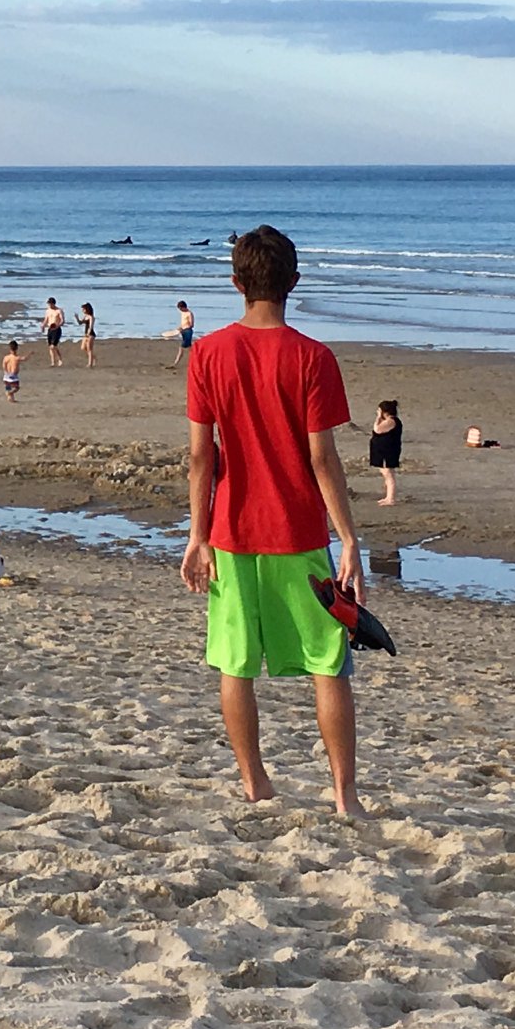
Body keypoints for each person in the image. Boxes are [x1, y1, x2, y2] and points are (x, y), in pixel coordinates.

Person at [180, 224, 365, 816]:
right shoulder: (313, 356)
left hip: (232, 533)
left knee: (236, 664)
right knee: (328, 664)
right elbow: (322, 457)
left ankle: (255, 783)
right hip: (298, 531)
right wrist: (349, 538)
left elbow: (200, 457)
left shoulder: (208, 352)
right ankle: (344, 796)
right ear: (294, 282)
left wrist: (197, 535)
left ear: (236, 283)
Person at [369, 400, 402, 506]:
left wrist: (378, 417)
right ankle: (388, 496)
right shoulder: (389, 421)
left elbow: (377, 429)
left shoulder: (391, 421)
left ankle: (391, 498)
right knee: (385, 473)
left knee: (389, 474)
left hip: (387, 452)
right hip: (382, 451)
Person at [168, 301, 197, 369]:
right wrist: (180, 328)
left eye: (180, 308)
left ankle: (176, 363)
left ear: (183, 307)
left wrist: (183, 328)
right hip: (183, 331)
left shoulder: (189, 313)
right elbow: (183, 323)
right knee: (190, 349)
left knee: (182, 348)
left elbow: (191, 325)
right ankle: (195, 362)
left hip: (188, 332)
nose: (180, 310)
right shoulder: (182, 313)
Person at [41, 298, 66, 367]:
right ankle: (53, 362)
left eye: (50, 304)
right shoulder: (48, 311)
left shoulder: (59, 311)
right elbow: (46, 319)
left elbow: (62, 321)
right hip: (50, 329)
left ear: (53, 303)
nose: (49, 305)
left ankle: (60, 358)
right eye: (48, 304)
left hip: (57, 329)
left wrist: (58, 325)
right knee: (50, 347)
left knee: (53, 346)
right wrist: (43, 326)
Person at [78, 302, 97, 368]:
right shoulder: (85, 316)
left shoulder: (91, 317)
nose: (83, 310)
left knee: (89, 349)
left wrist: (88, 334)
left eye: (84, 309)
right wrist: (77, 318)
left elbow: (91, 326)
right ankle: (93, 357)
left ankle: (90, 364)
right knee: (83, 348)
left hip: (91, 334)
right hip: (86, 334)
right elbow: (80, 323)